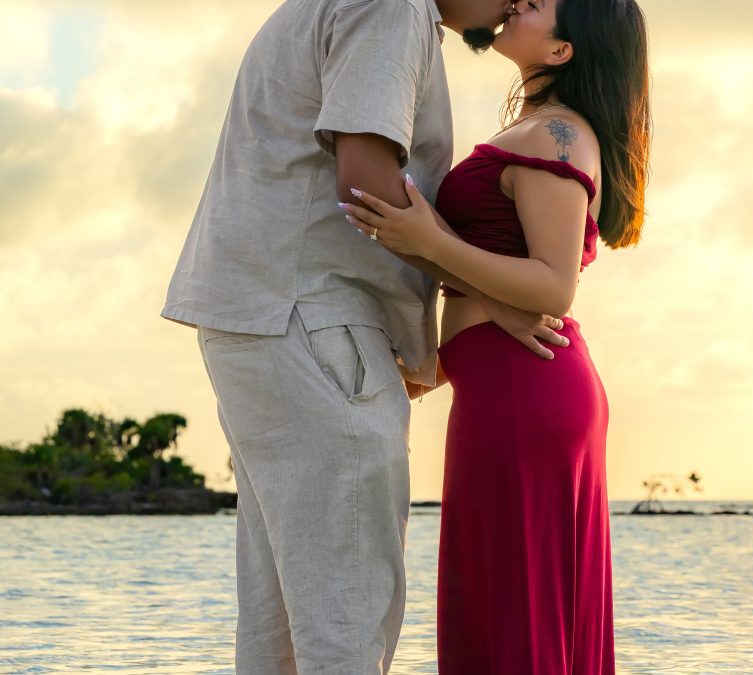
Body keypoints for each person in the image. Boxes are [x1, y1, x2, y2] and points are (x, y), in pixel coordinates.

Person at [159, 0, 572, 672]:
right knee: (346, 617)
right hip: (314, 317)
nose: (513, 4)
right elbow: (367, 188)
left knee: (285, 629)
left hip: (268, 316)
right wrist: (495, 292)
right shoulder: (392, 7)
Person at [341, 0, 651, 672]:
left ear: (563, 51)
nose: (521, 0)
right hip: (512, 387)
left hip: (524, 393)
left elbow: (551, 286)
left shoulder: (558, 136)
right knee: (506, 609)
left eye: (542, 4)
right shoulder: (539, 129)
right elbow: (511, 274)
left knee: (511, 615)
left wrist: (426, 240)